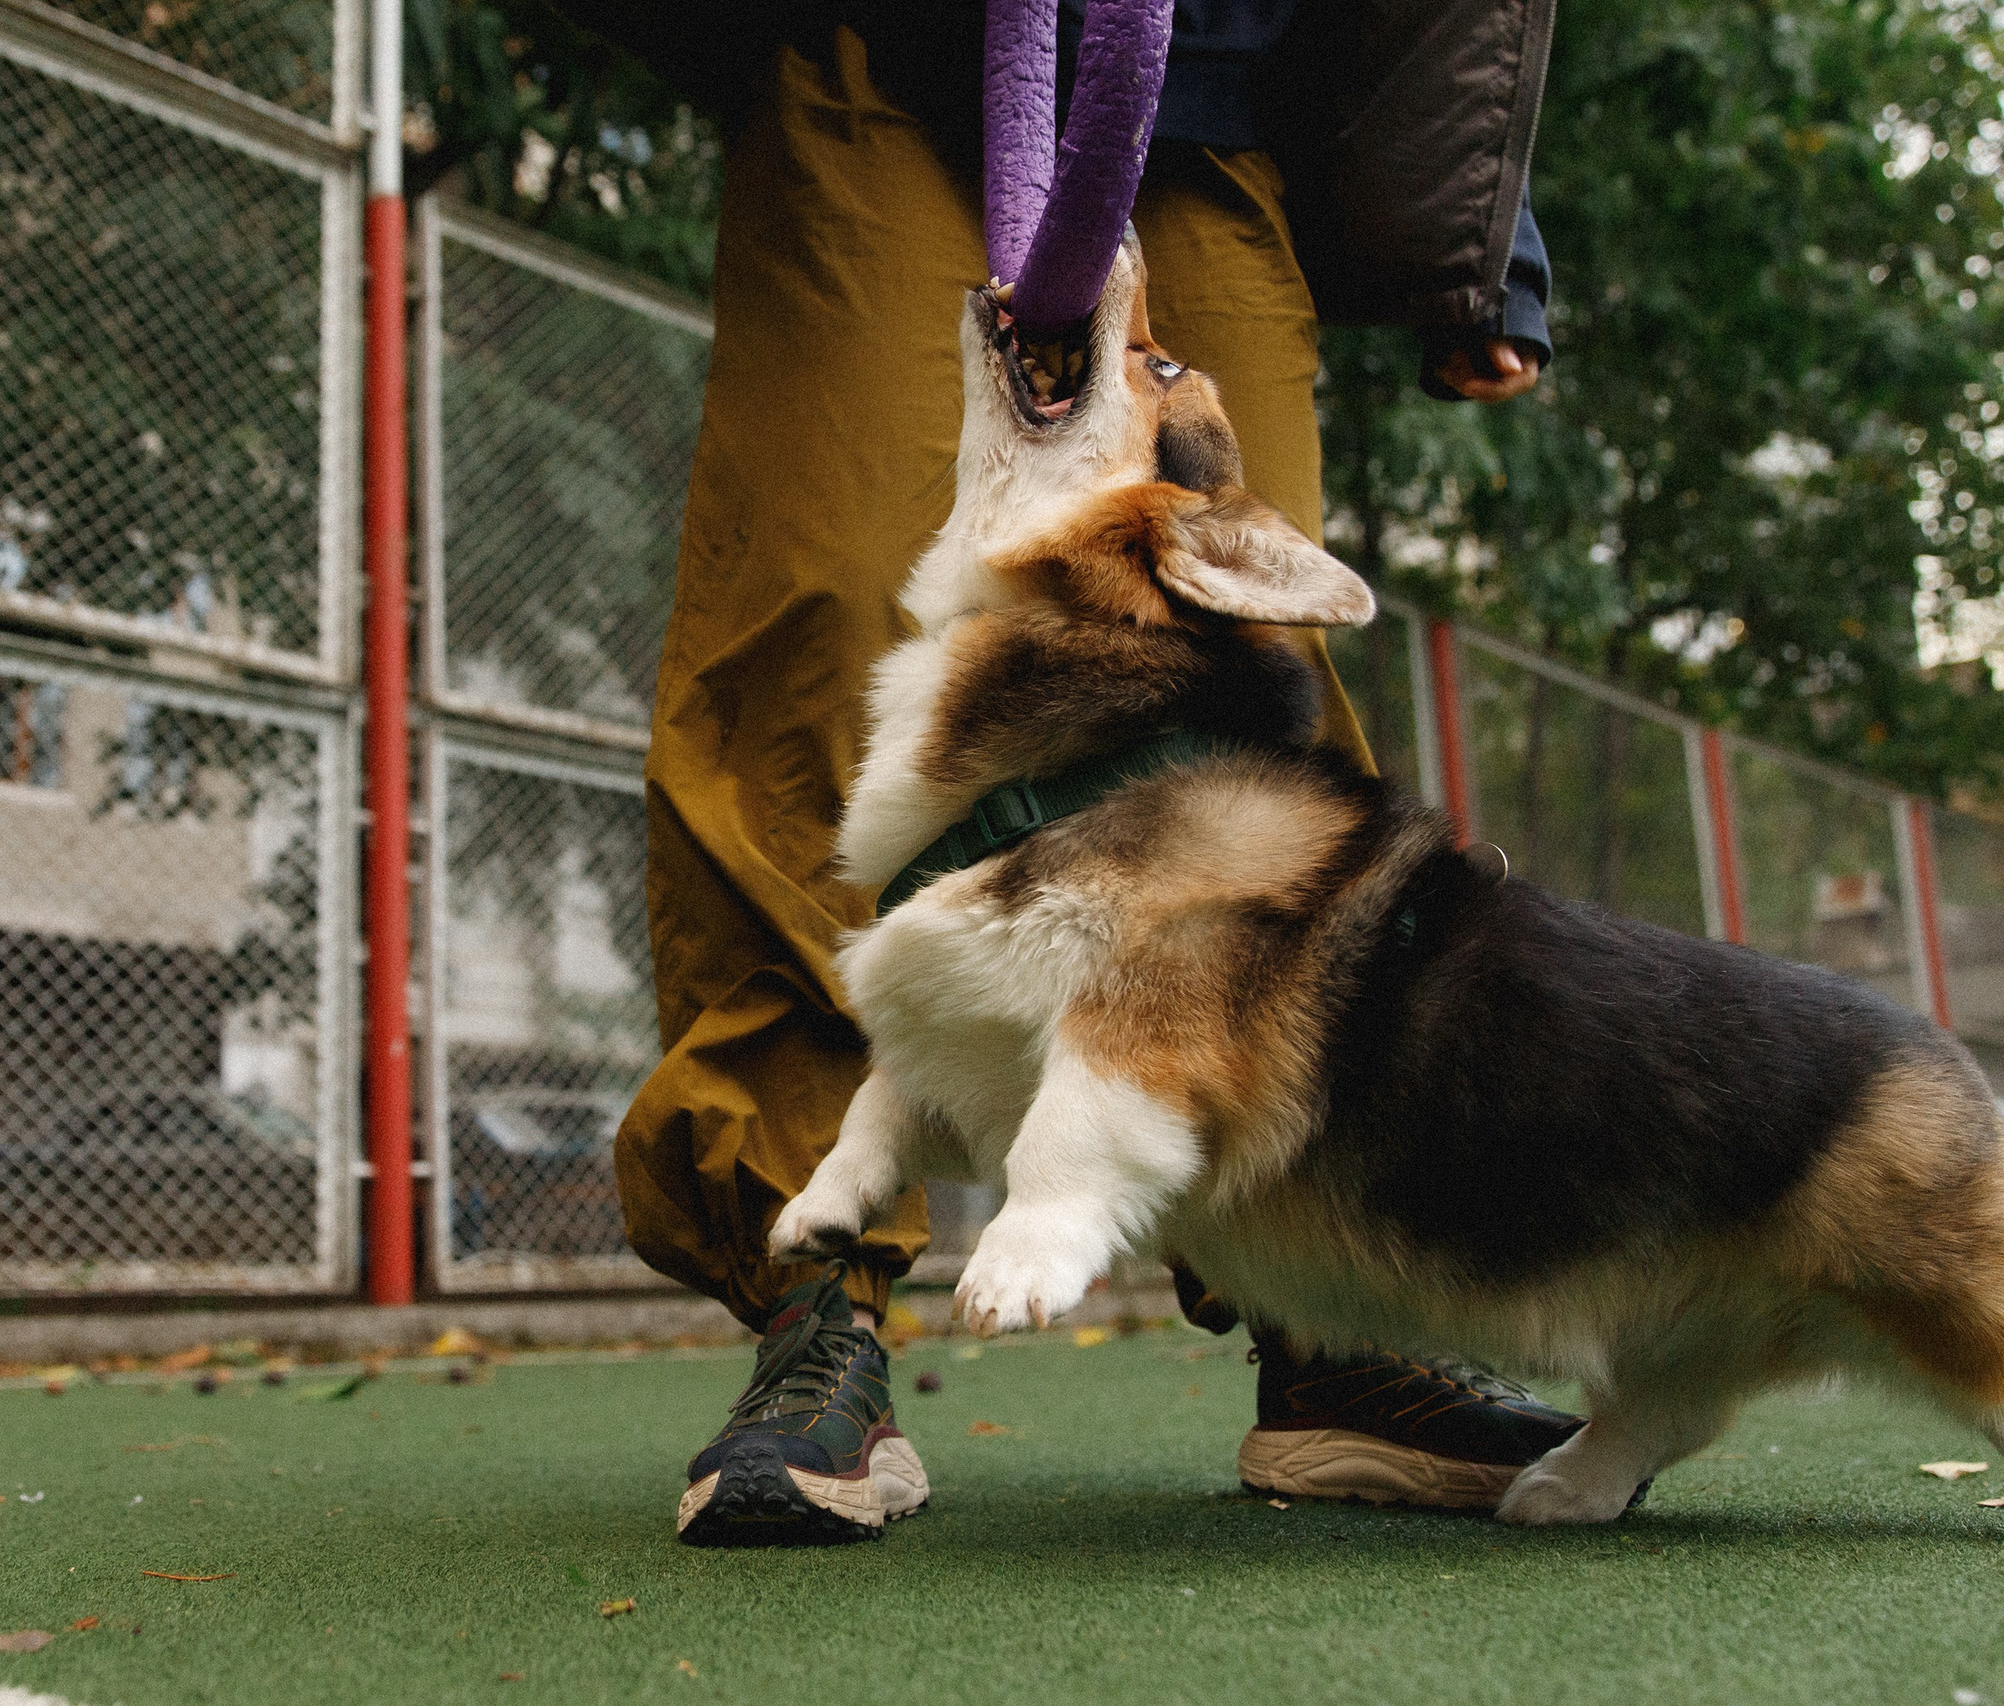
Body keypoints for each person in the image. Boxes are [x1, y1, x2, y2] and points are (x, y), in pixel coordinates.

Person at [557, 0, 1581, 1543]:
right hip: (879, 51)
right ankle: (814, 1294)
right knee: (823, 620)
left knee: (1254, 666)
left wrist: (1492, 241)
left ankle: (1325, 1319)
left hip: (1217, 82)